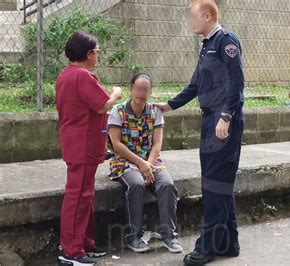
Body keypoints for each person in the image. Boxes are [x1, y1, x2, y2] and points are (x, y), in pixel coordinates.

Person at [156, 0, 245, 264]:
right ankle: (228, 243)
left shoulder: (225, 41)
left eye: (193, 17)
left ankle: (206, 247)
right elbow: (196, 84)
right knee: (218, 183)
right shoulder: (207, 44)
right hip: (211, 120)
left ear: (207, 16)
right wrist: (170, 105)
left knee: (215, 185)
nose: (190, 22)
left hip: (222, 121)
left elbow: (236, 83)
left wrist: (226, 117)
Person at [56, 31, 122, 266]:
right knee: (79, 196)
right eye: (97, 51)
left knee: (85, 196)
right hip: (81, 144)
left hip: (78, 143)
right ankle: (71, 251)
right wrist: (116, 93)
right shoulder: (83, 76)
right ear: (89, 53)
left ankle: (83, 243)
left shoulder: (66, 75)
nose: (98, 55)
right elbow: (103, 105)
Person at [108, 73, 183, 254]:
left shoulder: (155, 112)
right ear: (131, 89)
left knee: (167, 184)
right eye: (138, 88)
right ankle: (133, 235)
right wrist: (140, 164)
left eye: (145, 90)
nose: (141, 93)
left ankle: (169, 236)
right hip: (124, 162)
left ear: (150, 92)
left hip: (151, 161)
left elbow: (157, 143)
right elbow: (116, 144)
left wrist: (147, 164)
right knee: (137, 184)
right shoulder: (118, 111)